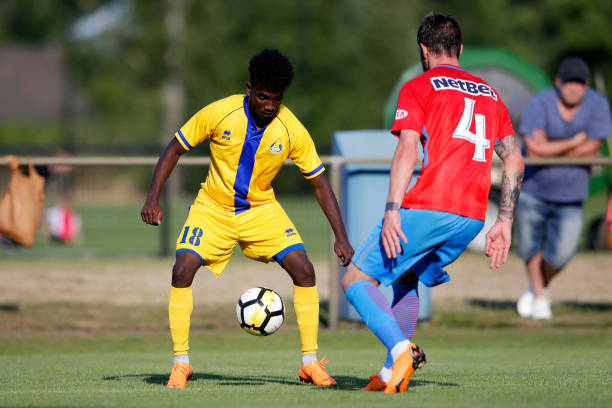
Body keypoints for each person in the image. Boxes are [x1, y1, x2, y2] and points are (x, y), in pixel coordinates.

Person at [141, 48, 354, 389]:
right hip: (212, 207)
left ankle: (309, 362)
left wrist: (341, 237)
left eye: (277, 99)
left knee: (304, 268)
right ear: (249, 89)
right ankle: (181, 362)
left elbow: (319, 183)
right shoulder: (219, 113)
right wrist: (152, 196)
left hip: (260, 210)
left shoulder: (291, 128)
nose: (270, 105)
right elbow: (175, 148)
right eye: (263, 97)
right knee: (182, 268)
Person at [341, 13, 525, 393]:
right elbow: (514, 159)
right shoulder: (491, 93)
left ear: (424, 51)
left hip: (429, 206)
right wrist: (504, 221)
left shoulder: (419, 86)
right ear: (460, 49)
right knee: (406, 277)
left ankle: (401, 348)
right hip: (472, 216)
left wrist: (392, 212)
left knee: (355, 280)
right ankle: (393, 371)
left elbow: (408, 149)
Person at [515, 57, 612, 320]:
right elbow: (534, 147)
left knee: (562, 253)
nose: (573, 88)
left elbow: (591, 148)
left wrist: (552, 145)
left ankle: (537, 290)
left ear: (586, 85)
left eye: (579, 83)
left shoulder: (598, 105)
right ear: (558, 83)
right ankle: (540, 296)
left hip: (572, 194)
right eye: (569, 82)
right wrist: (574, 141)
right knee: (529, 247)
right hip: (534, 187)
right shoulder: (540, 102)